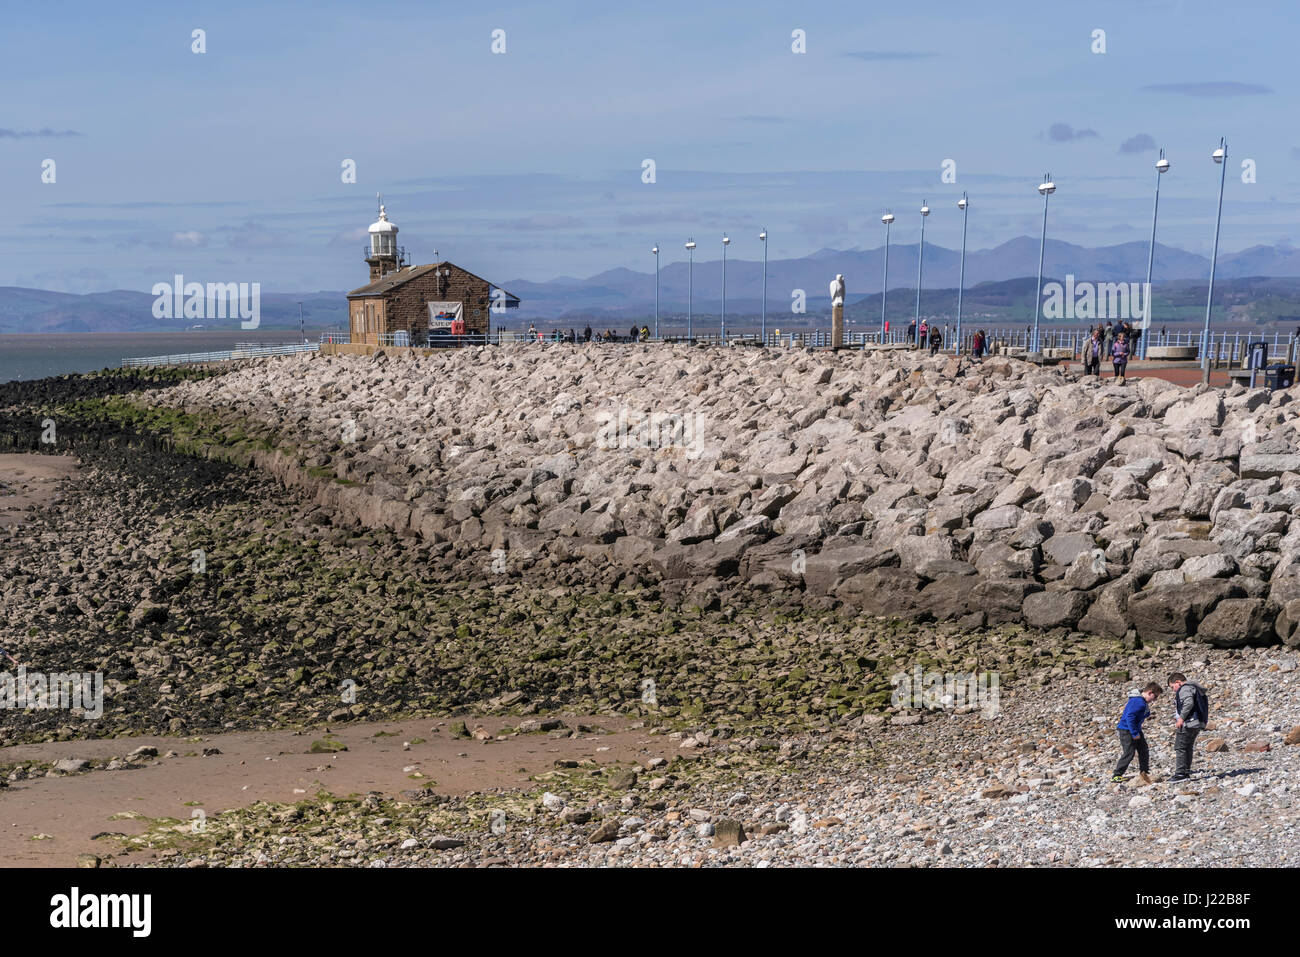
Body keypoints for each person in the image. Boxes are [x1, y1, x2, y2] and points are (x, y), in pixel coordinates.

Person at [1112, 682, 1162, 785]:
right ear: (1149, 692)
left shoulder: (1141, 701)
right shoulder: (1138, 702)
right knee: (1129, 752)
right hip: (1127, 730)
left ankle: (1144, 772)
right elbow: (1130, 717)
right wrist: (1134, 733)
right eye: (1155, 696)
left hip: (1135, 729)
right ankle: (1117, 775)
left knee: (1143, 750)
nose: (1155, 699)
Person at [1168, 673, 1209, 782]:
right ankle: (1186, 771)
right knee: (1188, 747)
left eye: (1173, 687)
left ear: (1178, 682)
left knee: (1180, 747)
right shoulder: (1195, 688)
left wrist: (1181, 718)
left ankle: (1180, 773)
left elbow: (1188, 702)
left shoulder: (1185, 689)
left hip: (1189, 722)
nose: (1174, 690)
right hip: (1197, 723)